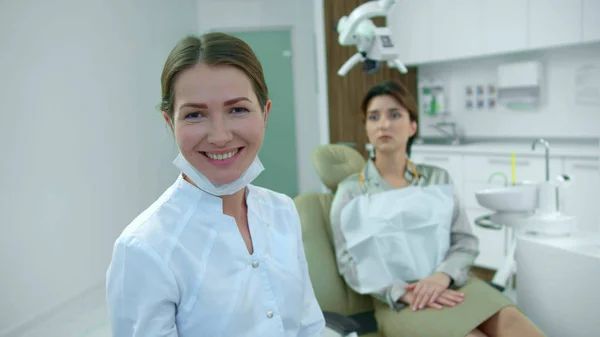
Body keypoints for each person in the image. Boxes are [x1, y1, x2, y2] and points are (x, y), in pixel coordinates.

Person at [105, 33, 326, 337]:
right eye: (195, 115)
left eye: (237, 109)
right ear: (171, 123)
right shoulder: (145, 248)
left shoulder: (283, 211)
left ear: (265, 114)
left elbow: (308, 327)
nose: (219, 136)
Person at [329, 80, 545, 337]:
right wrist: (401, 293)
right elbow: (350, 263)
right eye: (374, 117)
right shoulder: (351, 192)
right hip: (402, 301)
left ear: (412, 126)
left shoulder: (438, 179)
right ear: (367, 128)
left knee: (516, 321)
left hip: (454, 284)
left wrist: (442, 277)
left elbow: (465, 242)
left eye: (394, 115)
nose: (383, 124)